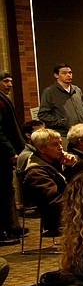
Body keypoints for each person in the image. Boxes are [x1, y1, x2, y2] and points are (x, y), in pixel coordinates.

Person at [20, 128, 77, 234]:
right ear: (41, 149)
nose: (60, 148)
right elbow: (55, 202)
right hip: (59, 218)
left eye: (60, 144)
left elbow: (72, 186)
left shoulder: (54, 163)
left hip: (71, 211)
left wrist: (70, 167)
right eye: (55, 145)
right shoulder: (36, 172)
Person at [0, 72, 25, 239]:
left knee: (7, 190)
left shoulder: (3, 99)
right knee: (3, 191)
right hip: (2, 155)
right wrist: (10, 152)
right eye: (5, 81)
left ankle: (11, 226)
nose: (9, 84)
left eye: (11, 81)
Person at [37, 63, 83, 135]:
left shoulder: (77, 90)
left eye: (70, 73)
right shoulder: (50, 92)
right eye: (64, 73)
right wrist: (62, 123)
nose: (68, 75)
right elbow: (43, 115)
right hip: (63, 134)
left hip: (82, 132)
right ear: (56, 75)